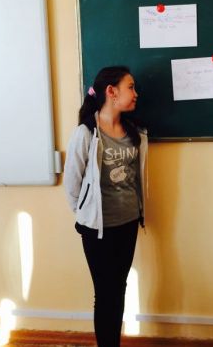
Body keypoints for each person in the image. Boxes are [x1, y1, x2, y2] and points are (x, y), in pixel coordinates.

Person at [64, 65, 148, 347]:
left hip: (128, 222)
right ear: (111, 92)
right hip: (97, 228)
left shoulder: (135, 131)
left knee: (119, 288)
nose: (136, 93)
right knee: (105, 292)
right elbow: (72, 184)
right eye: (130, 87)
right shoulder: (86, 132)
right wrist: (86, 214)